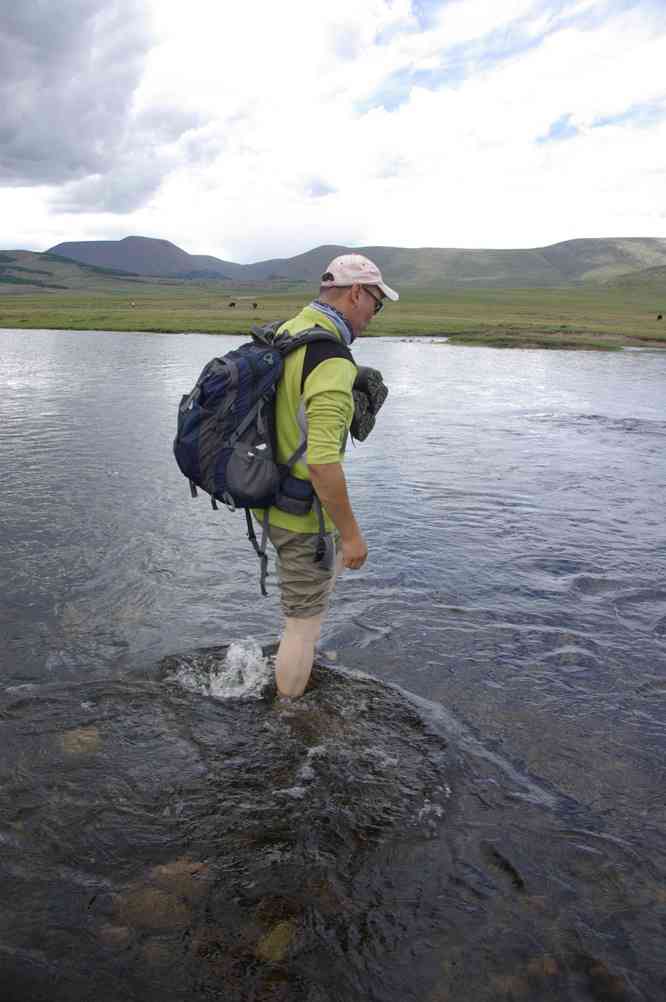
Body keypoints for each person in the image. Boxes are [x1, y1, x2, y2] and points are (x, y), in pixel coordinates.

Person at [265, 253, 399, 699]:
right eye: (375, 305)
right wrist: (353, 534)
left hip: (270, 494)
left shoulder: (290, 331)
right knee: (303, 628)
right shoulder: (332, 358)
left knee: (301, 610)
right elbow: (323, 464)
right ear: (357, 293)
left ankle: (290, 661)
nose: (372, 317)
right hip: (303, 514)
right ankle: (287, 725)